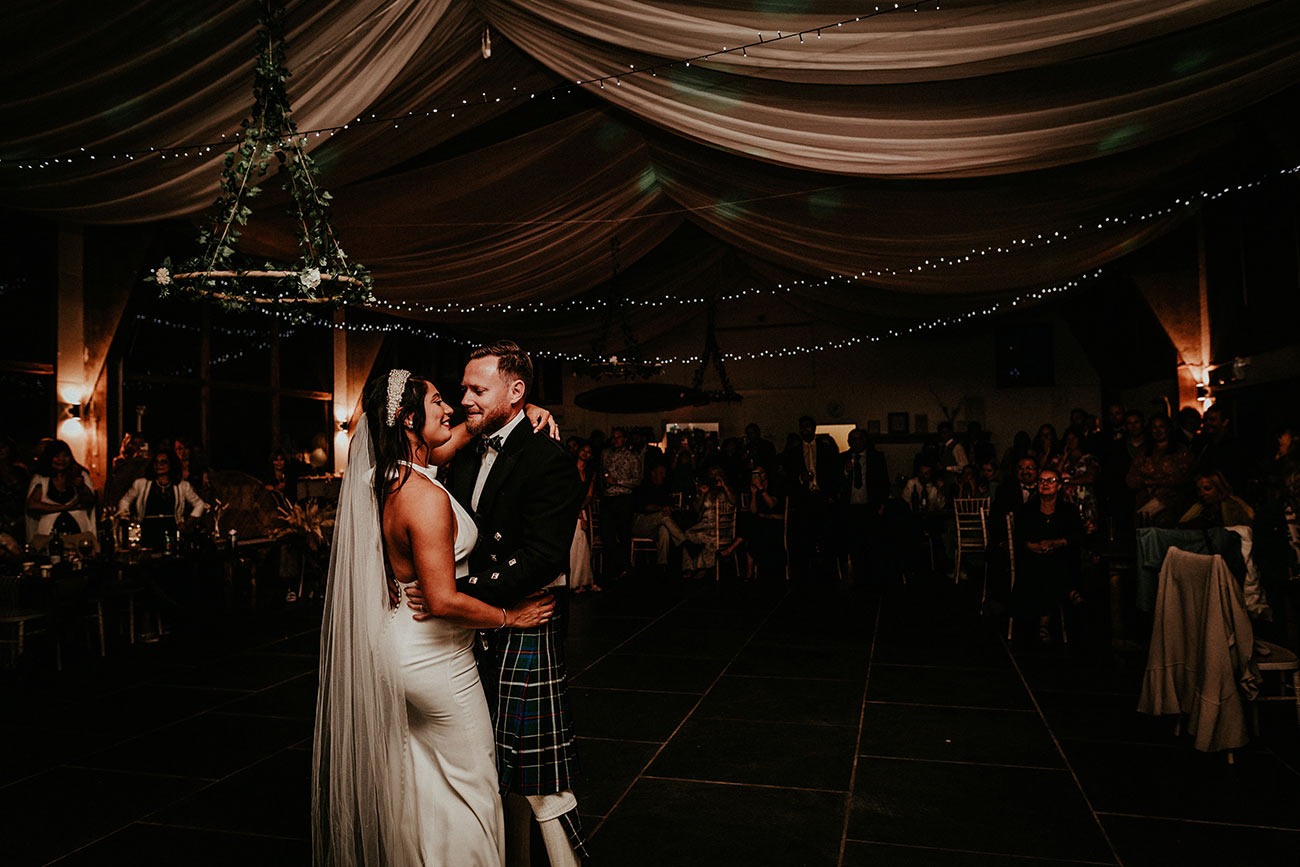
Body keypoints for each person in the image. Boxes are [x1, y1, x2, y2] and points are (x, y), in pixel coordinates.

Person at [313, 369, 556, 866]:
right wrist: (511, 616)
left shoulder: (387, 474)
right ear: (407, 419)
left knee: (422, 785)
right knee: (474, 787)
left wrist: (519, 411)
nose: (452, 408)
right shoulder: (422, 497)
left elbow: (448, 441)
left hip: (397, 648)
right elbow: (442, 600)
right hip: (436, 658)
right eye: (440, 401)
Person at [405, 342, 588, 866]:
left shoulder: (549, 458)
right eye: (462, 388)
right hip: (464, 627)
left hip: (523, 622)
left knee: (537, 768)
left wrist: (459, 594)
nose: (464, 399)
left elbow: (541, 557)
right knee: (486, 761)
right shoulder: (462, 447)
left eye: (477, 390)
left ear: (517, 392)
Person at [1014, 467, 1084, 644]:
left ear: (1059, 486)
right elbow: (1020, 538)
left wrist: (1057, 543)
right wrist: (1033, 546)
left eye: (1050, 481)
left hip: (1060, 557)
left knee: (1054, 564)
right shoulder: (1027, 510)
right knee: (1044, 567)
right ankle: (1069, 590)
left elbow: (1077, 536)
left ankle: (1044, 624)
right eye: (1042, 481)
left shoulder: (1069, 510)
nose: (1045, 484)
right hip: (1033, 560)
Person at [118, 449, 208, 548]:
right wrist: (127, 518)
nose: (159, 465)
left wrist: (187, 523)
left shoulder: (182, 486)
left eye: (163, 462)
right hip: (147, 531)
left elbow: (199, 504)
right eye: (156, 462)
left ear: (171, 464)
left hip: (171, 531)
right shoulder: (141, 484)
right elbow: (125, 501)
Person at [1126, 414, 1192, 528]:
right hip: (1145, 507)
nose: (1158, 431)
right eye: (1154, 427)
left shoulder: (1180, 451)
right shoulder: (1144, 452)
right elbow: (1131, 478)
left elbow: (1185, 477)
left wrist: (1155, 482)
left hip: (1171, 507)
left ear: (1168, 428)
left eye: (1161, 426)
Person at [25, 439, 96, 542]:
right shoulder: (41, 478)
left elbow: (90, 502)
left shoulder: (80, 475)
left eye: (65, 456)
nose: (61, 460)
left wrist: (81, 486)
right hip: (49, 534)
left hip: (79, 533)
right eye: (56, 456)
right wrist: (64, 507)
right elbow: (32, 505)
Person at [631, 462, 687, 573]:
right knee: (663, 517)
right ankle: (685, 542)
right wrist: (662, 509)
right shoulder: (643, 487)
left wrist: (668, 509)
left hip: (655, 528)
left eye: (664, 473)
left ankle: (662, 565)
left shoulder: (663, 489)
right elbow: (645, 507)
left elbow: (668, 507)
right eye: (661, 473)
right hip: (639, 524)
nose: (663, 476)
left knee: (664, 529)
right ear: (653, 474)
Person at [1178, 470, 1254, 528]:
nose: (1201, 494)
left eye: (1207, 488)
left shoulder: (1232, 506)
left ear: (1219, 488)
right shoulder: (1199, 507)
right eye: (1199, 490)